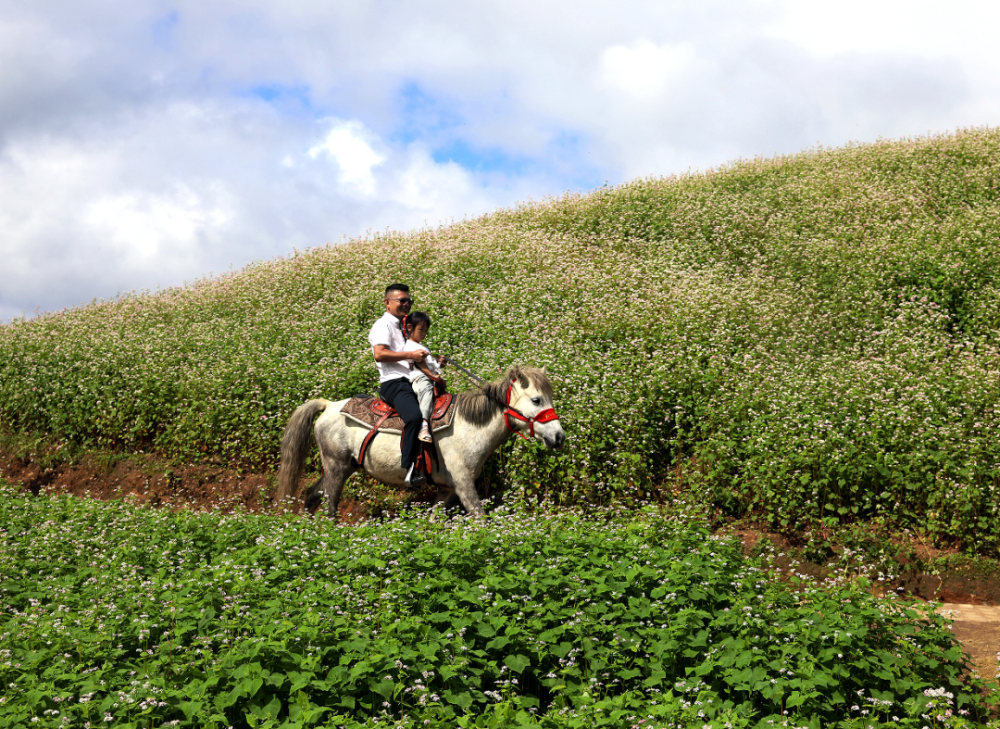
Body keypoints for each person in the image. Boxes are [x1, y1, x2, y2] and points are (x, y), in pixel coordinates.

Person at [368, 284, 428, 486]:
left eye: (408, 301)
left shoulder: (404, 326)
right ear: (387, 303)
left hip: (411, 379)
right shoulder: (382, 325)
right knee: (414, 417)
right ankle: (409, 469)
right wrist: (411, 355)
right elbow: (380, 354)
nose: (406, 304)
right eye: (401, 301)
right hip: (394, 382)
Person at [402, 311, 447, 443]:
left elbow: (432, 367)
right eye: (420, 329)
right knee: (426, 391)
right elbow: (421, 366)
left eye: (426, 330)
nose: (423, 333)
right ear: (410, 328)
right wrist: (435, 376)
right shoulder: (409, 345)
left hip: (428, 378)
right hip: (419, 378)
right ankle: (424, 425)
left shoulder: (423, 347)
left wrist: (439, 363)